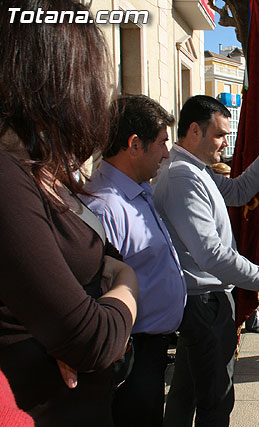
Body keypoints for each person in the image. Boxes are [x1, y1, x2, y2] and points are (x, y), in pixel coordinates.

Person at [0, 1, 138, 425]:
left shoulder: (38, 171)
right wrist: (128, 283)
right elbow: (93, 340)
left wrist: (103, 302)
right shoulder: (7, 177)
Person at [154, 95, 259, 427]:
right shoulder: (183, 176)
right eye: (220, 135)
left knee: (185, 395)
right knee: (215, 401)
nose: (226, 143)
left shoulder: (197, 171)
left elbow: (239, 191)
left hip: (203, 303)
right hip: (204, 304)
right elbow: (212, 255)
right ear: (194, 131)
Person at [80, 95, 186, 427]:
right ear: (135, 145)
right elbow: (95, 294)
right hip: (129, 356)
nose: (167, 153)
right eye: (162, 143)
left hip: (150, 353)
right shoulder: (105, 208)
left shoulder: (140, 193)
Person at [211, 163, 259, 331]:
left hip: (238, 251)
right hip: (216, 272)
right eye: (224, 178)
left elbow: (240, 191)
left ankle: (251, 318)